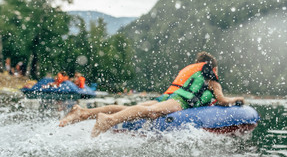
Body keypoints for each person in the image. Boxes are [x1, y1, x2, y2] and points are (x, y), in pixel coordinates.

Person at [59, 52, 245, 137]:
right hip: (180, 100)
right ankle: (108, 120)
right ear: (212, 66)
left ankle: (82, 113)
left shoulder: (194, 71)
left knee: (132, 108)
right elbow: (221, 98)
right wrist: (235, 100)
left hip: (171, 96)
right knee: (152, 112)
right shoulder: (208, 71)